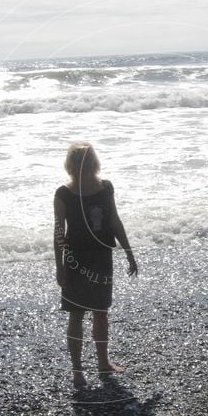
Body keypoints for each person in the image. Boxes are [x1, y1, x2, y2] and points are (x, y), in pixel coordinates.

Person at [53, 142, 138, 387]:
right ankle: (78, 369)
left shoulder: (105, 188)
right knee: (80, 314)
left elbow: (114, 221)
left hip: (100, 257)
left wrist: (129, 252)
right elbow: (59, 232)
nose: (82, 167)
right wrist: (59, 267)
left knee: (97, 312)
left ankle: (100, 363)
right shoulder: (63, 194)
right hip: (77, 260)